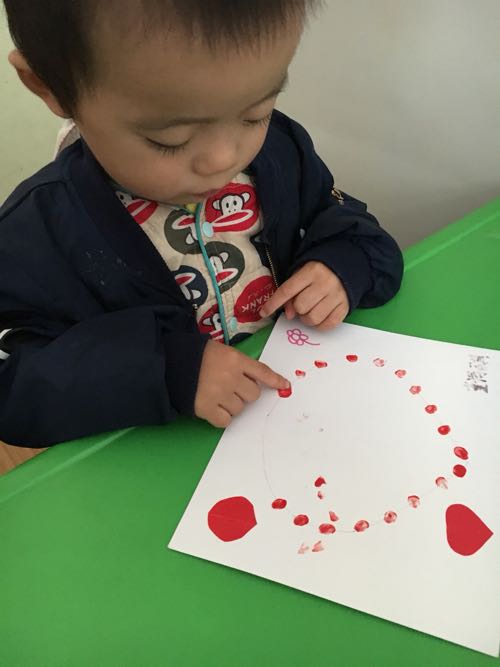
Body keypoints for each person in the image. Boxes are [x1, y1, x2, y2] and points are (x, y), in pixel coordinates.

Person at [0, 1, 403, 447]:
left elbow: (353, 228)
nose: (224, 159)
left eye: (255, 113)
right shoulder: (36, 232)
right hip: (152, 455)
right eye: (170, 139)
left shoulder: (280, 149)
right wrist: (167, 368)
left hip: (298, 416)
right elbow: (17, 394)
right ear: (49, 85)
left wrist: (342, 265)